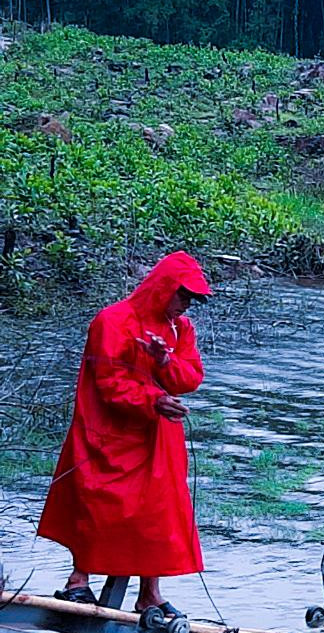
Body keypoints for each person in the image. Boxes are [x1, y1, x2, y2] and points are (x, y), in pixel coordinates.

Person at [37, 251, 211, 613]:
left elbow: (191, 377)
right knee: (95, 502)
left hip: (157, 436)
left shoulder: (181, 329)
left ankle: (150, 594)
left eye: (192, 299)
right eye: (183, 295)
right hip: (107, 429)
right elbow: (109, 382)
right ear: (164, 287)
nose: (187, 305)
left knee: (159, 511)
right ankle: (78, 582)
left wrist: (165, 361)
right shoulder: (113, 321)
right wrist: (153, 401)